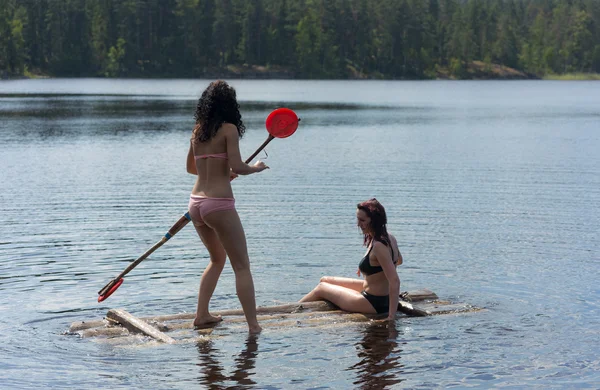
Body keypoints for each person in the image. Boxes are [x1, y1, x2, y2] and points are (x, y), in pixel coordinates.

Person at [187, 80, 268, 334]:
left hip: (196, 203)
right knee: (242, 266)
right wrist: (254, 168)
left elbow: (192, 168)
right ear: (229, 104)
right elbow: (239, 167)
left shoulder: (197, 130)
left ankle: (202, 315)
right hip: (218, 204)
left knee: (217, 259)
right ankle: (253, 326)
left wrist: (222, 170)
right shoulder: (229, 129)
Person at [299, 198, 402, 321]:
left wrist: (391, 317)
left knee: (321, 287)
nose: (358, 224)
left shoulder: (379, 245)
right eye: (358, 219)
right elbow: (398, 260)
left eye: (362, 220)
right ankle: (303, 307)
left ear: (374, 220)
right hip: (373, 292)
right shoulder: (390, 237)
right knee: (325, 279)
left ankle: (291, 309)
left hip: (374, 303)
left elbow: (395, 281)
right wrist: (368, 267)